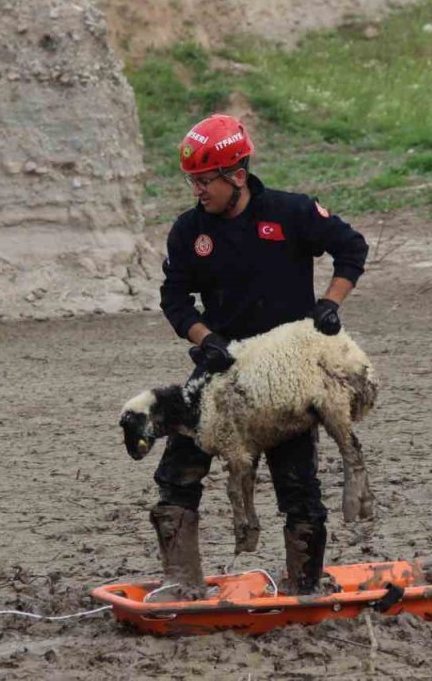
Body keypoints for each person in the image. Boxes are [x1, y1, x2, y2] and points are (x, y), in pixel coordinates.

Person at [154, 113, 369, 597]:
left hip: (285, 379)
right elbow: (174, 298)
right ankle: (180, 582)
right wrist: (205, 339)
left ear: (237, 175)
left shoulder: (291, 212)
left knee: (297, 486)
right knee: (177, 473)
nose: (197, 191)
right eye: (191, 181)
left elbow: (351, 248)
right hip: (221, 370)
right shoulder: (188, 232)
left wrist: (329, 307)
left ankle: (305, 586)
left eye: (205, 181)